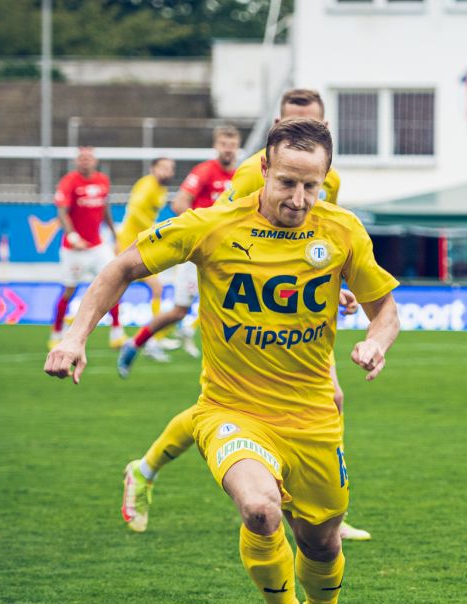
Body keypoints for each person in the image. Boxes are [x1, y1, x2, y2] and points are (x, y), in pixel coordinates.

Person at [45, 117, 401, 604]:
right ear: (264, 170)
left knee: (322, 539)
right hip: (232, 410)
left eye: (311, 186)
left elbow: (385, 310)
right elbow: (122, 266)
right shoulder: (211, 226)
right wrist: (75, 336)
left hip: (312, 416)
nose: (298, 198)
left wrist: (376, 343)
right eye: (287, 183)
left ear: (326, 180)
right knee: (260, 509)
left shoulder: (342, 231)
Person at [120, 90, 375, 542]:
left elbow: (318, 245)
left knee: (331, 398)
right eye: (292, 122)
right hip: (229, 278)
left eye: (313, 125)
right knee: (220, 400)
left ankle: (319, 507)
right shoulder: (249, 174)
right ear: (276, 129)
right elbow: (231, 231)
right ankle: (146, 466)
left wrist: (330, 286)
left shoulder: (326, 180)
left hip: (293, 304)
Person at [117, 126, 241, 369]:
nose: (228, 149)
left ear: (238, 147)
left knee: (236, 305)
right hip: (197, 252)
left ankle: (234, 362)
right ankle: (136, 343)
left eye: (232, 144)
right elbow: (179, 203)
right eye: (224, 144)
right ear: (216, 146)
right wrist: (204, 232)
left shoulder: (241, 176)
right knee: (179, 310)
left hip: (226, 252)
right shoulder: (204, 171)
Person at [49, 147, 123, 349]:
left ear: (95, 161)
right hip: (74, 250)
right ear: (76, 161)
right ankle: (57, 332)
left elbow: (105, 208)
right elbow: (62, 212)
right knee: (69, 290)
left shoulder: (103, 180)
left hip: (98, 247)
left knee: (114, 283)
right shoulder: (69, 181)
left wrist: (115, 235)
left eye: (88, 158)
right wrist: (73, 237)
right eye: (81, 158)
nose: (85, 161)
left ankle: (117, 331)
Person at [116, 157, 176, 361]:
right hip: (130, 245)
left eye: (170, 168)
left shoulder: (161, 189)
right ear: (153, 169)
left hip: (141, 244)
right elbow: (134, 212)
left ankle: (153, 337)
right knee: (150, 288)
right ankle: (152, 339)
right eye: (163, 167)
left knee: (155, 288)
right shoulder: (148, 186)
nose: (167, 171)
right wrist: (156, 230)